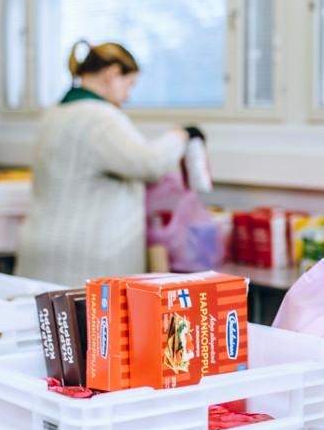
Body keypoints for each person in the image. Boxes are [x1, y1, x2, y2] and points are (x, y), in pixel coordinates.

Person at [16, 41, 199, 286]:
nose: (128, 95)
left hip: (40, 251)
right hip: (84, 260)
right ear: (112, 73)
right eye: (129, 83)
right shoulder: (100, 118)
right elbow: (148, 164)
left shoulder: (53, 114)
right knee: (84, 324)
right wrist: (182, 135)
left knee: (46, 323)